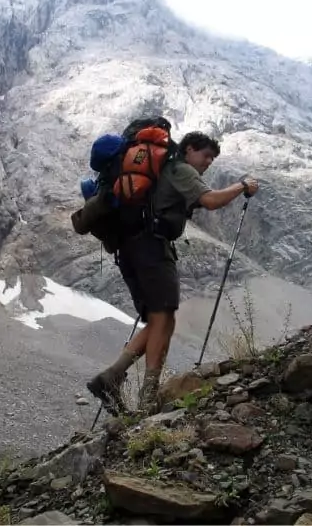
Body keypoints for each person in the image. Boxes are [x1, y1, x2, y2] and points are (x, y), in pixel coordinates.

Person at [86, 131, 259, 416]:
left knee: (161, 319)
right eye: (206, 155)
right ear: (189, 149)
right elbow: (212, 200)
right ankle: (145, 397)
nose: (208, 163)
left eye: (212, 159)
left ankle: (112, 378)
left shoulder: (165, 170)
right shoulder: (179, 169)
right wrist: (241, 185)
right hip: (151, 248)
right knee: (163, 316)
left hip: (131, 249)